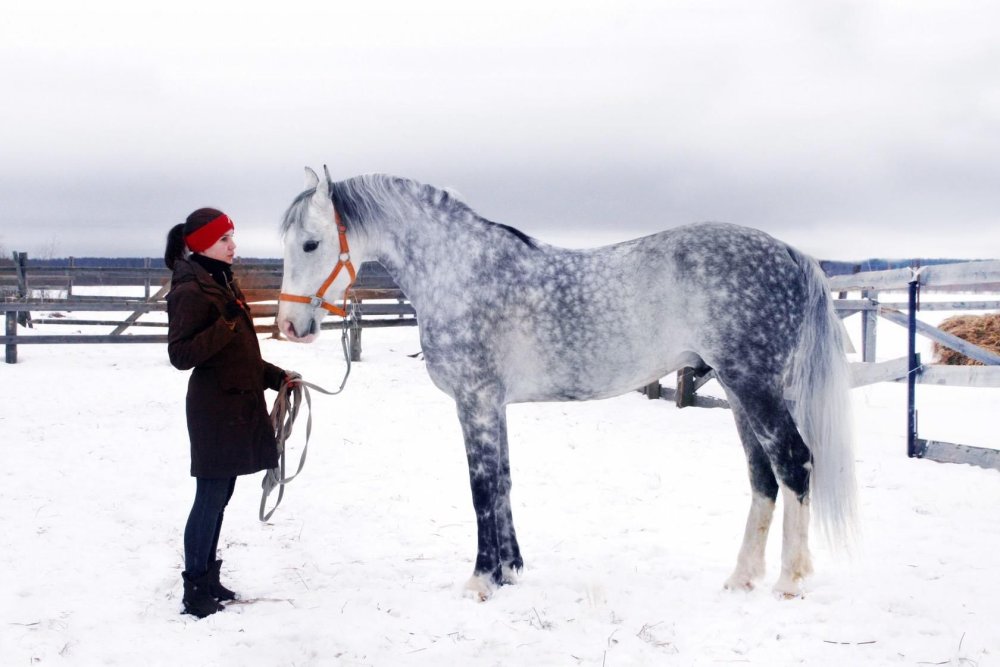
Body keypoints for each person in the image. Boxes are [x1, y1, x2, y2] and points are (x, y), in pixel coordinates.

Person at [164, 208, 293, 619]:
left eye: (231, 238)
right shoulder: (189, 291)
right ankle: (194, 587)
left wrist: (277, 377)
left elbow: (242, 353)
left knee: (221, 498)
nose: (233, 246)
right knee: (209, 498)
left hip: (238, 404)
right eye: (225, 240)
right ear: (203, 244)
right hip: (214, 409)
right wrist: (226, 322)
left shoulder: (221, 282)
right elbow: (181, 355)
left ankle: (209, 577)